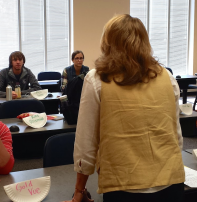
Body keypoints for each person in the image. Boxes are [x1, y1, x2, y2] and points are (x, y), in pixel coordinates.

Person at [64, 14, 184, 202]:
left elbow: (86, 143)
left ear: (108, 42)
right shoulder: (167, 78)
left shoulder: (97, 79)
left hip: (123, 186)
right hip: (170, 182)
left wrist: (79, 190)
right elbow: (175, 135)